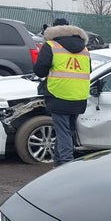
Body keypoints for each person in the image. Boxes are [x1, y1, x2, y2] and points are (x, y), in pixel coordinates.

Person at [33, 18, 91, 167]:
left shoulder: (51, 46)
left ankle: (66, 165)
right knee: (66, 130)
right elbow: (88, 71)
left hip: (58, 95)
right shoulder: (84, 49)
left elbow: (39, 71)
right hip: (79, 96)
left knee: (63, 132)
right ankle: (59, 163)